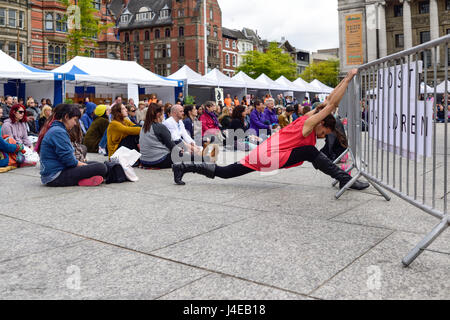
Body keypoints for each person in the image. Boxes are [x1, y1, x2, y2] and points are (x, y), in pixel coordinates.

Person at [172, 69, 370, 192]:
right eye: (325, 133)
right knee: (310, 152)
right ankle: (345, 180)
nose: (322, 136)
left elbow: (328, 101)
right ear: (321, 124)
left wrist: (345, 79)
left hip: (266, 153)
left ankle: (183, 167)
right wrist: (349, 78)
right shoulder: (309, 123)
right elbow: (331, 105)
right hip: (270, 156)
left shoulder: (307, 117)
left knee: (225, 172)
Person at [37, 104, 109, 187]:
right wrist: (85, 166)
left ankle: (84, 179)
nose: (75, 123)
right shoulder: (58, 132)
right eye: (75, 120)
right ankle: (81, 180)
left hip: (57, 172)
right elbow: (70, 161)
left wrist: (86, 166)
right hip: (55, 176)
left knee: (95, 163)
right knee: (101, 167)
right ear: (66, 117)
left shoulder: (57, 129)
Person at [140, 103, 182, 169]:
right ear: (158, 115)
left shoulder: (143, 126)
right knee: (184, 155)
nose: (164, 116)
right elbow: (172, 146)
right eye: (163, 114)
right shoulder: (160, 127)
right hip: (158, 161)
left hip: (144, 161)